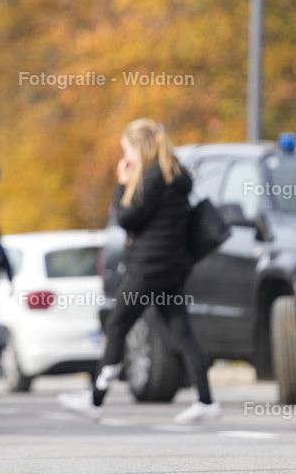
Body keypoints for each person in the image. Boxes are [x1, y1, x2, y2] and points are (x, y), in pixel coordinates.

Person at [58, 118, 220, 424]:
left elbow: (126, 218)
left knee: (117, 326)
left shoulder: (154, 178)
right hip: (173, 269)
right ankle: (206, 400)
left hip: (148, 268)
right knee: (181, 331)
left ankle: (94, 400)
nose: (126, 158)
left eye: (127, 151)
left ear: (139, 147)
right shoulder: (175, 174)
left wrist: (122, 183)